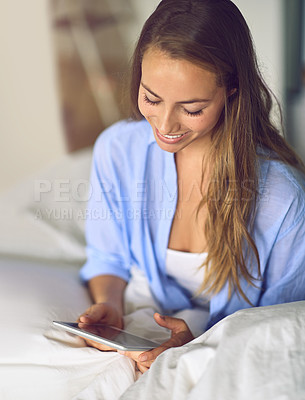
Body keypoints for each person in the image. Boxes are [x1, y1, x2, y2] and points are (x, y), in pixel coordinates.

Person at [78, 0, 305, 373]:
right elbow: (108, 257)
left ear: (232, 91)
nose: (165, 125)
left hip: (230, 350)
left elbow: (279, 324)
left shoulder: (284, 201)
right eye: (151, 97)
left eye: (192, 108)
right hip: (142, 328)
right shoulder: (118, 149)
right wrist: (110, 306)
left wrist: (199, 342)